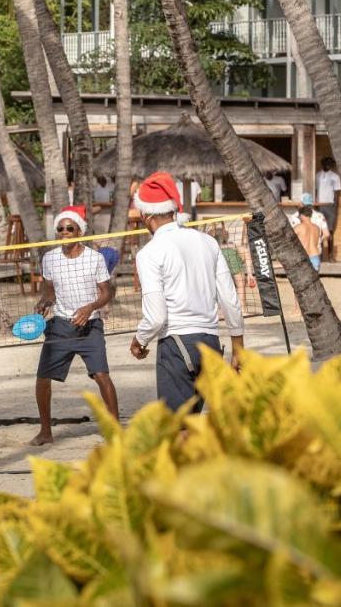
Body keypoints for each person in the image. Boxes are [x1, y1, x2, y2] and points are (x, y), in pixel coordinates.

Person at [128, 172, 245, 411]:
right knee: (195, 429)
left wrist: (139, 340)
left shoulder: (149, 253)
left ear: (145, 214)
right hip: (210, 344)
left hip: (177, 344)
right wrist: (238, 350)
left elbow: (156, 316)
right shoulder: (208, 242)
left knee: (179, 430)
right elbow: (230, 301)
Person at [29, 205, 117, 446]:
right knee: (42, 378)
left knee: (102, 376)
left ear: (80, 231)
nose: (64, 232)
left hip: (90, 325)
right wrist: (43, 302)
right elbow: (48, 291)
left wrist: (90, 308)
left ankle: (115, 430)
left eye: (70, 228)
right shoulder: (50, 258)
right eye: (60, 228)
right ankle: (45, 431)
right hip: (60, 325)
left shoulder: (94, 258)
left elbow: (107, 293)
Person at [293, 206, 327, 273]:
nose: (299, 218)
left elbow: (289, 242)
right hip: (315, 257)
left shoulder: (298, 228)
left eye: (299, 216)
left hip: (303, 258)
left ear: (302, 215)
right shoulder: (317, 228)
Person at [316, 157, 341, 238]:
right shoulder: (317, 175)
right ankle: (321, 248)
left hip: (330, 204)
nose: (327, 165)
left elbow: (337, 192)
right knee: (320, 226)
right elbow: (315, 189)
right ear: (322, 164)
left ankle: (330, 249)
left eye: (329, 164)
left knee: (330, 227)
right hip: (319, 204)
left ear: (331, 165)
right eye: (325, 163)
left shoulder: (335, 176)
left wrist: (335, 206)